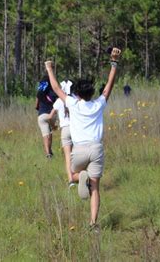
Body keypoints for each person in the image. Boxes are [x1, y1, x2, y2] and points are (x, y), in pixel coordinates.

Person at [44, 47, 121, 230]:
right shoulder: (99, 104)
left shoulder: (73, 103)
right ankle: (93, 223)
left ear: (77, 93)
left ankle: (81, 178)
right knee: (95, 188)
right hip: (96, 149)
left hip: (79, 150)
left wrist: (49, 69)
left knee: (72, 175)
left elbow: (55, 88)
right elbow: (110, 84)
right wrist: (114, 63)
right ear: (91, 92)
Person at [48, 80, 75, 187]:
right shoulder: (74, 99)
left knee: (68, 156)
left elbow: (50, 117)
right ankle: (81, 175)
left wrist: (53, 125)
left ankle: (71, 180)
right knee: (77, 154)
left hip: (64, 129)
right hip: (75, 129)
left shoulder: (58, 101)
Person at [35, 76, 57, 158]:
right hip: (52, 115)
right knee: (50, 133)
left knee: (45, 134)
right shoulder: (53, 92)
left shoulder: (40, 92)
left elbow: (36, 104)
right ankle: (50, 150)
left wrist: (38, 108)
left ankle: (48, 153)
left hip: (42, 115)